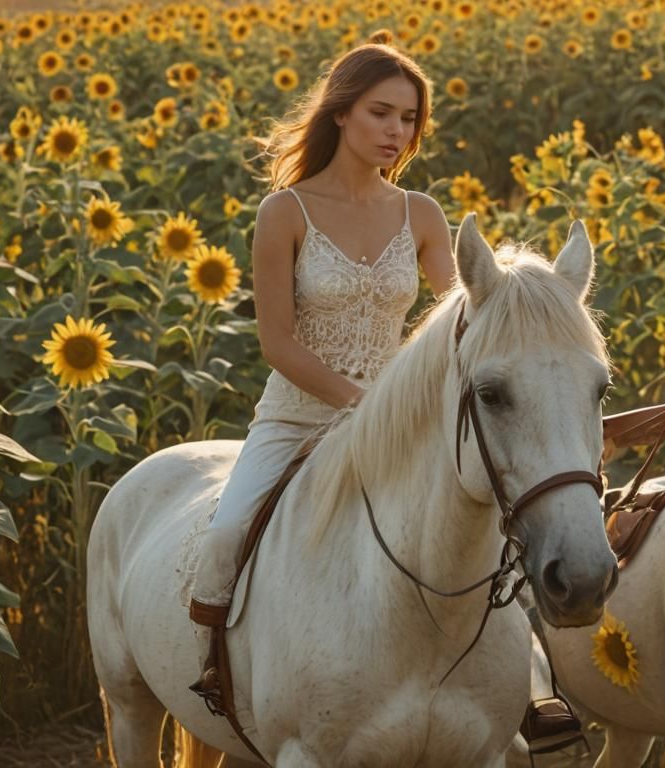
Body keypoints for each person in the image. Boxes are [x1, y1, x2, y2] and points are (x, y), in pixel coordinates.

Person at [187, 41, 455, 625]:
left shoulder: (422, 214)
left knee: (485, 526)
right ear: (340, 112)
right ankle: (213, 665)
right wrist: (363, 404)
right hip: (295, 420)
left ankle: (527, 669)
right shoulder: (285, 211)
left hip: (397, 424)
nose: (397, 131)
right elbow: (277, 343)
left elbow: (463, 319)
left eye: (409, 118)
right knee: (225, 535)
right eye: (380, 113)